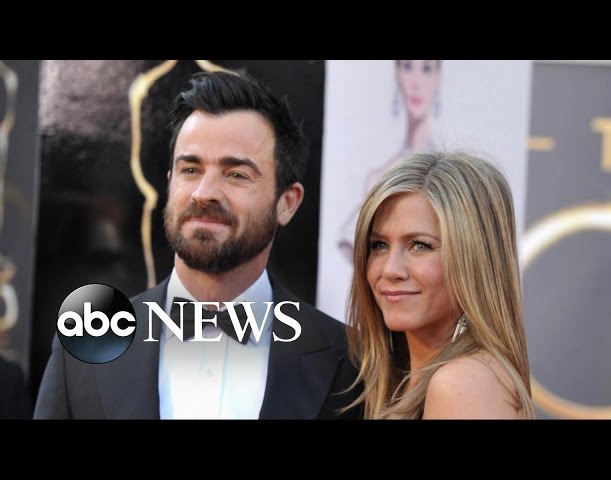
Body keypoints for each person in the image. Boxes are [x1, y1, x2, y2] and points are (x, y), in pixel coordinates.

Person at [34, 70, 362, 419]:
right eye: (190, 169)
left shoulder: (350, 361)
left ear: (287, 202)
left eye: (236, 174)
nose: (204, 193)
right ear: (170, 182)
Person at [346, 151, 535, 419]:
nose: (390, 270)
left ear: (475, 257)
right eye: (379, 245)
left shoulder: (462, 384)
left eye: (420, 245)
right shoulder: (399, 379)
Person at [338, 60, 442, 261]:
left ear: (438, 75)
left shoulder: (452, 183)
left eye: (426, 68)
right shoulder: (378, 179)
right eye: (407, 67)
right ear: (397, 73)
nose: (416, 82)